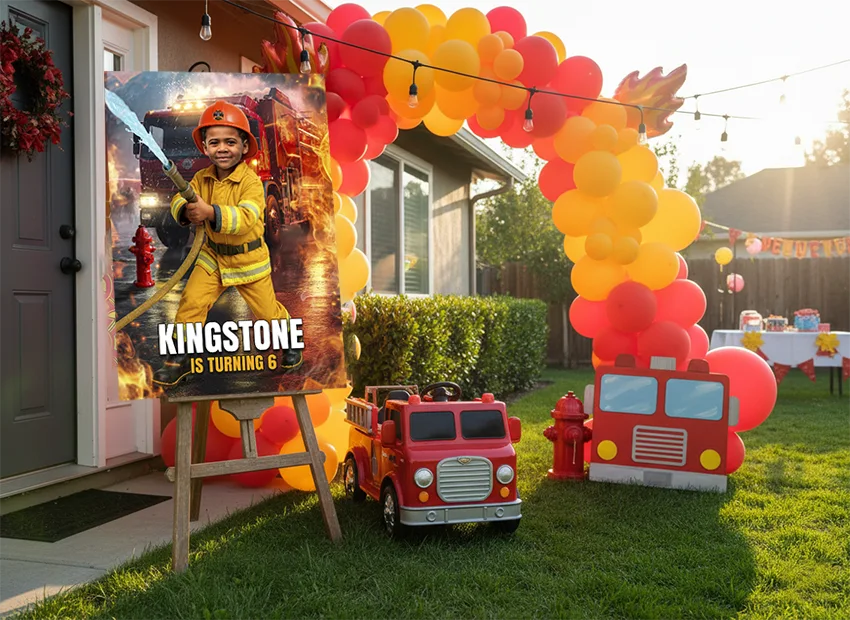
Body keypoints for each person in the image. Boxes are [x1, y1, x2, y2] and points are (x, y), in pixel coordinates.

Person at [153, 100, 302, 387]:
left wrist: (209, 212)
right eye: (214, 142)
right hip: (213, 258)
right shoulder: (201, 178)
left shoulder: (251, 183)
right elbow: (179, 198)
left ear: (245, 146)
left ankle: (290, 343)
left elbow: (246, 218)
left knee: (267, 313)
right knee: (191, 303)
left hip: (249, 261)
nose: (222, 148)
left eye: (230, 142)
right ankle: (178, 361)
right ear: (205, 147)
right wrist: (185, 211)